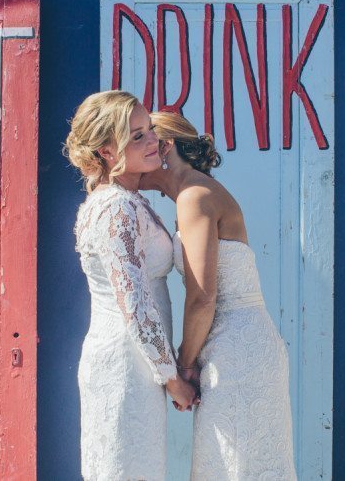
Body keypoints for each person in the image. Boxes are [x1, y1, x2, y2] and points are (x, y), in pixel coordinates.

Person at [140, 111, 297, 480]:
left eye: (141, 142)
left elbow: (202, 298)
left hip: (236, 351)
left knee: (235, 466)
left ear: (165, 148)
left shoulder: (194, 197)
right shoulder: (194, 193)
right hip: (237, 345)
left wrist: (183, 365)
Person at [64, 92, 197, 480]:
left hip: (140, 364)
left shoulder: (127, 200)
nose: (153, 141)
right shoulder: (115, 208)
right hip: (125, 364)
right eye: (137, 136)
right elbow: (135, 304)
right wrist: (173, 380)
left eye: (150, 131)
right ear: (107, 150)